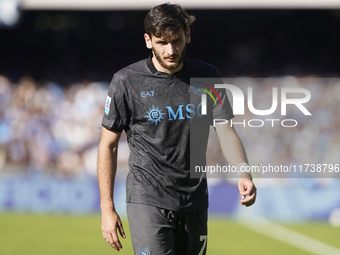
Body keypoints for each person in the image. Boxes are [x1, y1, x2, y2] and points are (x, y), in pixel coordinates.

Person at [97, 3, 256, 255]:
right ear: (148, 41)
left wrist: (244, 172)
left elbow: (225, 130)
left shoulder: (207, 76)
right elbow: (108, 144)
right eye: (162, 42)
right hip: (147, 198)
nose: (171, 50)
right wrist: (107, 208)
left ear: (188, 36)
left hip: (194, 200)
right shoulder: (126, 81)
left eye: (177, 41)